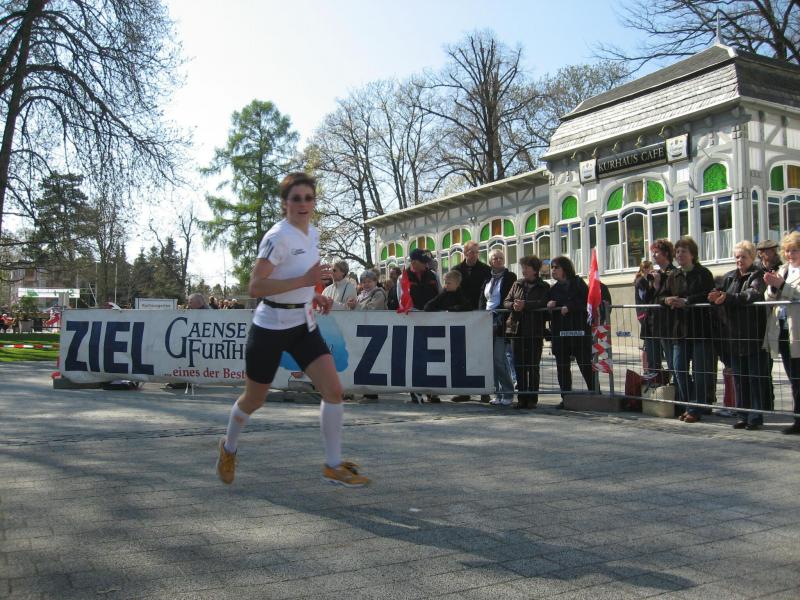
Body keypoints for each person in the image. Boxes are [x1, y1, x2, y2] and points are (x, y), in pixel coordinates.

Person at [216, 172, 369, 487]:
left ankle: (332, 465)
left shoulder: (312, 234)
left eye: (308, 198)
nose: (303, 204)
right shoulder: (277, 237)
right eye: (296, 198)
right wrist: (304, 281)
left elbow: (295, 279)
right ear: (284, 203)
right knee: (254, 399)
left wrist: (311, 295)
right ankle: (228, 447)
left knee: (333, 391)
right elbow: (257, 286)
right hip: (269, 328)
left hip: (302, 324)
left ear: (314, 202)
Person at [709, 241, 769, 430]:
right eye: (737, 257)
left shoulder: (758, 275)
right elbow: (719, 293)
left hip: (753, 334)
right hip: (733, 334)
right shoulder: (730, 277)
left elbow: (752, 294)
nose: (739, 260)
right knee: (739, 378)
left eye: (743, 256)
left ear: (752, 257)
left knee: (754, 378)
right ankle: (742, 414)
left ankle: (755, 417)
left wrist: (728, 298)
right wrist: (715, 297)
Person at [661, 236, 716, 423]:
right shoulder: (673, 276)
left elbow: (708, 295)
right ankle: (690, 405)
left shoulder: (703, 274)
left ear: (692, 254)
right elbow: (660, 296)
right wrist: (666, 300)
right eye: (677, 252)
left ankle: (694, 408)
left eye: (683, 251)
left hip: (700, 329)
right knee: (679, 369)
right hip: (680, 330)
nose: (679, 255)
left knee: (700, 372)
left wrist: (687, 301)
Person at [764, 231, 800, 435]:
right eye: (787, 250)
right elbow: (768, 297)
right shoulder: (783, 270)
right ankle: (798, 419)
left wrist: (781, 285)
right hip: (783, 329)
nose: (790, 254)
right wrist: (771, 287)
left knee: (799, 377)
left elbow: (797, 295)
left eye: (794, 250)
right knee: (793, 377)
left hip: (798, 330)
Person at [503, 256, 550, 409]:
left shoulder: (543, 286)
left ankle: (532, 398)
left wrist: (526, 305)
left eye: (526, 268)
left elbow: (543, 303)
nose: (523, 271)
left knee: (533, 366)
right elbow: (506, 301)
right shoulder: (517, 284)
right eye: (522, 268)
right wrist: (513, 305)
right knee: (519, 366)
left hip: (534, 330)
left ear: (535, 270)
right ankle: (522, 398)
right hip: (517, 330)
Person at [547, 256, 594, 405]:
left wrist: (570, 306)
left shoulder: (578, 283)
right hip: (560, 332)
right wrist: (550, 304)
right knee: (562, 367)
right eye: (552, 267)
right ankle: (566, 398)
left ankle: (595, 392)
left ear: (565, 269)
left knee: (585, 363)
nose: (553, 270)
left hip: (578, 330)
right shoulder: (553, 289)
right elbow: (549, 307)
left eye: (556, 267)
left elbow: (587, 302)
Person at [479, 248, 517, 405]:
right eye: (495, 258)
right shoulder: (487, 279)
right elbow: (482, 298)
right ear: (490, 261)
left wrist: (499, 314)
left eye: (501, 257)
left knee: (499, 358)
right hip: (487, 320)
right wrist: (481, 314)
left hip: (501, 321)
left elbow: (508, 298)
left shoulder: (510, 277)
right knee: (491, 360)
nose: (498, 260)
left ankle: (508, 392)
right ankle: (498, 393)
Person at [454, 240, 492, 310]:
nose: (475, 255)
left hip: (479, 308)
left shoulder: (486, 269)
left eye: (477, 252)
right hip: (461, 309)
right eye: (472, 252)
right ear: (465, 253)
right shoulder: (456, 270)